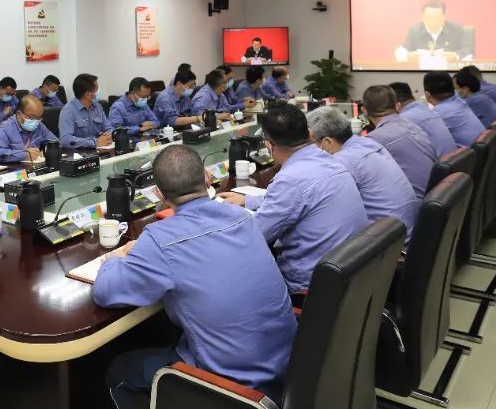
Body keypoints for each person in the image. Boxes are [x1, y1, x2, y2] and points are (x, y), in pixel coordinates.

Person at [94, 145, 296, 409]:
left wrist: (114, 260)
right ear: (207, 178)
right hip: (289, 368)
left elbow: (105, 292)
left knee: (120, 369)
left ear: (159, 194)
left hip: (237, 389)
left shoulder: (159, 239)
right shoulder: (241, 216)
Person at [219, 104, 368, 293]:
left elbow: (255, 234)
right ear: (310, 133)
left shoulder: (290, 179)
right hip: (350, 276)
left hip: (308, 289)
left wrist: (220, 216)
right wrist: (248, 201)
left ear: (268, 145)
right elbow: (299, 198)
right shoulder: (332, 162)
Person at [306, 107, 419, 243]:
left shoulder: (341, 162)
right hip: (405, 235)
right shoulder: (366, 143)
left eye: (309, 144)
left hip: (390, 245)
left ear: (328, 142)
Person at [362, 85, 439, 199]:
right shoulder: (413, 126)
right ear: (397, 106)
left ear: (364, 110)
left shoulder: (374, 140)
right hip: (433, 196)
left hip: (413, 204)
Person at [389, 82, 458, 159]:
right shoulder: (425, 108)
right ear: (412, 96)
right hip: (454, 159)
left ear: (396, 105)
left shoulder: (404, 119)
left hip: (441, 163)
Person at [0, 95, 59, 163]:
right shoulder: (4, 129)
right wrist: (23, 154)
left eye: (39, 118)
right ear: (19, 114)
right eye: (32, 117)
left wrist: (49, 148)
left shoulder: (39, 126)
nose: (36, 121)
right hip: (15, 169)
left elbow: (57, 142)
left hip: (35, 167)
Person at [423, 72, 485, 148]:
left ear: (427, 94)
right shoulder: (460, 101)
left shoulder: (437, 114)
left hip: (471, 153)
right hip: (482, 148)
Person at [399, 0, 475, 59]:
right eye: (429, 18)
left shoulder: (456, 29)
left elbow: (467, 51)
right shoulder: (414, 31)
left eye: (436, 18)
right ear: (422, 17)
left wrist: (454, 56)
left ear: (444, 17)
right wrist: (409, 55)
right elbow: (403, 51)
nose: (433, 22)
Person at [59, 73, 113, 149]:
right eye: (96, 90)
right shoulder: (68, 111)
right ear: (88, 95)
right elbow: (66, 140)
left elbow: (109, 128)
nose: (98, 92)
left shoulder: (97, 106)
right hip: (78, 152)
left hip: (100, 149)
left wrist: (108, 136)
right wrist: (95, 142)